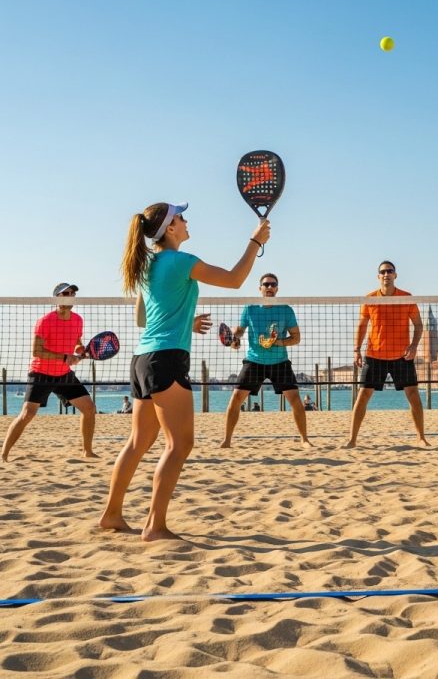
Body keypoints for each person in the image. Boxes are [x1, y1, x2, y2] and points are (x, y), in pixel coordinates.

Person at [99, 202, 269, 541]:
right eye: (180, 217)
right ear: (170, 228)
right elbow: (235, 280)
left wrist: (183, 322)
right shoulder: (181, 262)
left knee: (138, 442)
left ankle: (112, 515)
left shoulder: (147, 265)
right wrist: (256, 241)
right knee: (179, 444)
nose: (186, 220)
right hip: (166, 360)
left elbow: (142, 320)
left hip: (142, 359)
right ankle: (155, 526)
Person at [2, 283, 97, 461]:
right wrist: (64, 357)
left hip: (63, 374)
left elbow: (76, 342)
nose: (70, 295)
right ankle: (4, 454)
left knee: (89, 408)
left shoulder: (78, 320)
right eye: (65, 293)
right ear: (56, 298)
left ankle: (87, 451)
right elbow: (36, 351)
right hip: (41, 373)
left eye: (72, 293)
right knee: (27, 414)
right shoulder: (45, 321)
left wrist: (79, 351)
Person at [220, 273, 311, 449]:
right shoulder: (250, 308)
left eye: (273, 284)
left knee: (295, 399)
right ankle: (227, 440)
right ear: (259, 288)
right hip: (254, 361)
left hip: (280, 361)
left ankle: (304, 439)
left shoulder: (285, 309)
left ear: (277, 288)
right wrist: (234, 340)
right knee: (237, 397)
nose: (269, 287)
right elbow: (239, 331)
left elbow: (296, 338)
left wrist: (278, 342)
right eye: (266, 284)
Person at [346, 261, 429, 448]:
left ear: (395, 275)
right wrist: (356, 350)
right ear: (378, 276)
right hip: (374, 355)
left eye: (389, 271)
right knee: (363, 395)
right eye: (383, 272)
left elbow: (418, 324)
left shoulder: (406, 298)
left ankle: (421, 438)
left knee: (413, 394)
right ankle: (352, 440)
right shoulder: (370, 298)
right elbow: (362, 325)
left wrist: (414, 346)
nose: (386, 274)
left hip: (402, 355)